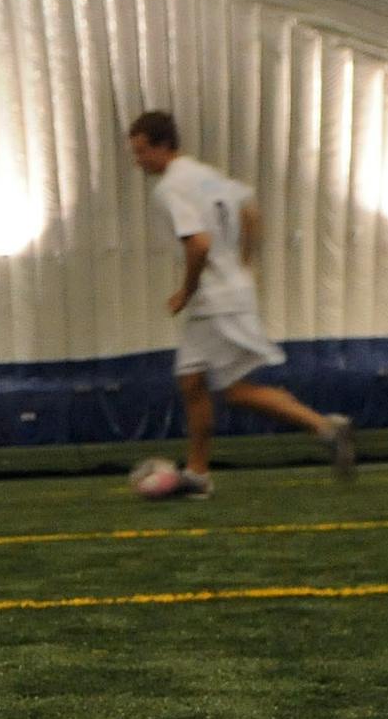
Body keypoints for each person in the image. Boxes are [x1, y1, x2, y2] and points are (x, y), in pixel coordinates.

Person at [127, 111, 354, 497]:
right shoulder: (205, 175)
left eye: (142, 151)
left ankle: (324, 428)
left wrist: (186, 290)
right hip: (228, 294)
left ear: (163, 145)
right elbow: (250, 211)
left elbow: (198, 245)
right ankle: (199, 474)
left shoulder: (169, 188)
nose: (138, 160)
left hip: (213, 301)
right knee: (195, 382)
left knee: (230, 389)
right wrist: (244, 265)